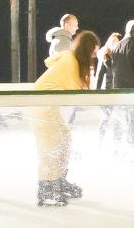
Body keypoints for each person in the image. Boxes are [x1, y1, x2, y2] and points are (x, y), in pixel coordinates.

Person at [30, 30, 99, 206]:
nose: (94, 57)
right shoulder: (72, 64)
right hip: (41, 107)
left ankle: (57, 180)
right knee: (51, 146)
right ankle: (47, 186)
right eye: (93, 52)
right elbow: (80, 97)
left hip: (44, 105)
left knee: (64, 140)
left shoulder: (69, 56)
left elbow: (48, 61)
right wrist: (100, 104)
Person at [111, 20, 134, 159]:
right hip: (131, 90)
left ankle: (117, 150)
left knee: (120, 122)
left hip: (117, 89)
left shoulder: (118, 45)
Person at [94, 31, 122, 150]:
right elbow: (99, 77)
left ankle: (117, 145)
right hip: (108, 93)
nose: (112, 43)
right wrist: (96, 93)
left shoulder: (122, 56)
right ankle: (98, 144)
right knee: (105, 119)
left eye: (115, 41)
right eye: (111, 40)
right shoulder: (105, 56)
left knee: (119, 121)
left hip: (119, 93)